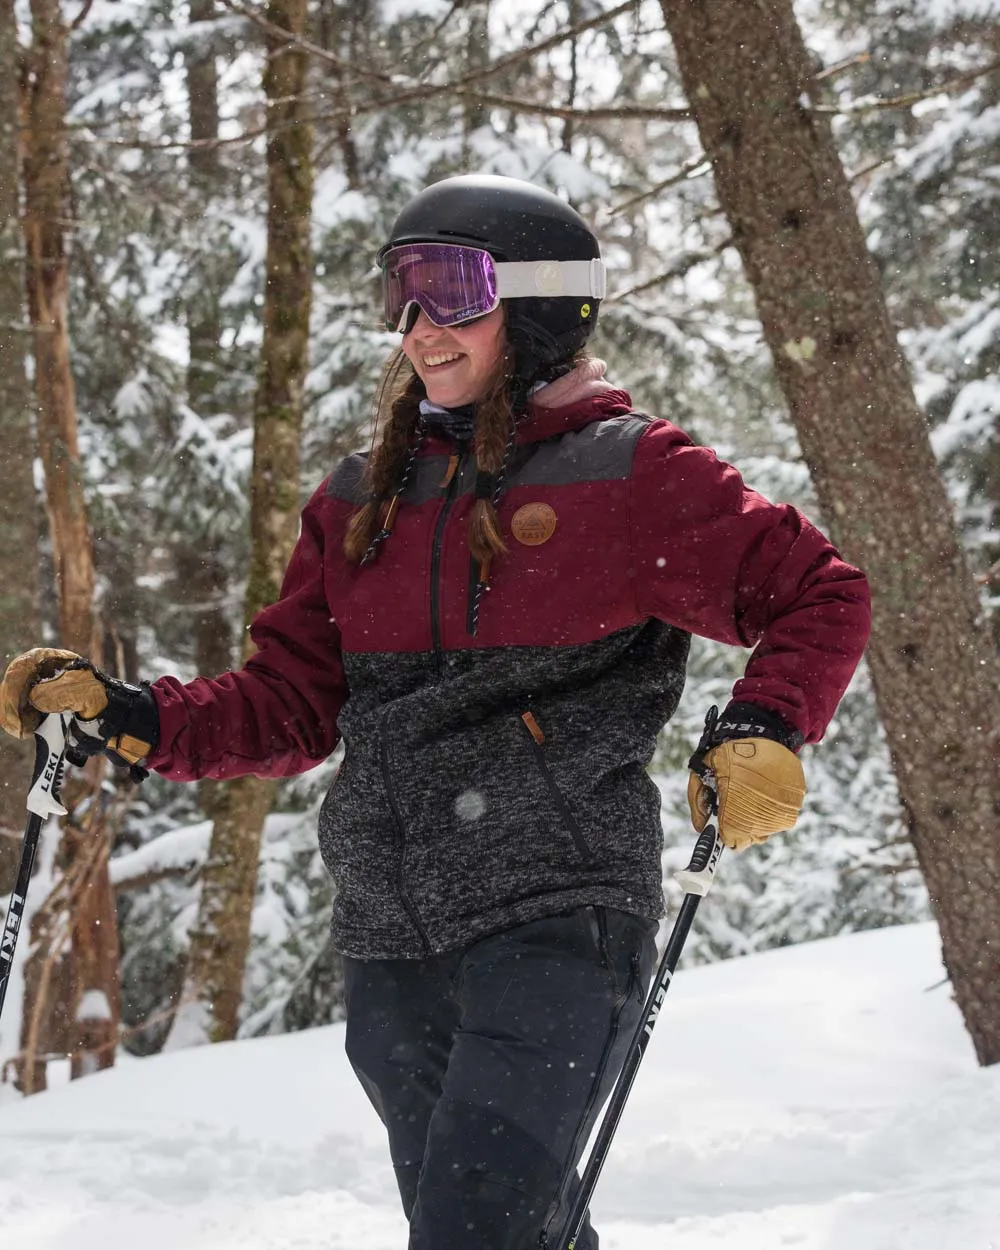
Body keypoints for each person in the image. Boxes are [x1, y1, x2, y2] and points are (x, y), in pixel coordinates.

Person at [0, 173, 871, 1249]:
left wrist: (760, 726)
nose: (418, 330)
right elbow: (290, 701)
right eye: (400, 298)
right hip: (391, 936)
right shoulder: (361, 501)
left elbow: (820, 589)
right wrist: (132, 715)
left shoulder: (631, 473)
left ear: (542, 308)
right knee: (512, 1231)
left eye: (449, 292)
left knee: (475, 1232)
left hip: (556, 919)